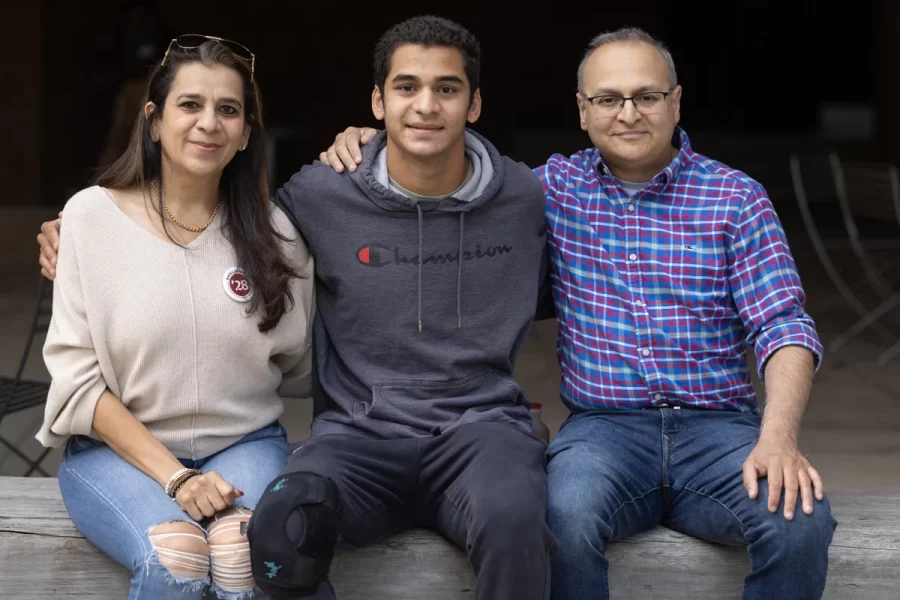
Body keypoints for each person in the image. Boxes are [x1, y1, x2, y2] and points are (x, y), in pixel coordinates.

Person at [37, 15, 555, 600]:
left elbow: (299, 356)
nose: (426, 105)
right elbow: (84, 377)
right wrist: (70, 237)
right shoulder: (316, 197)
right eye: (406, 87)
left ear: (476, 103)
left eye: (448, 88)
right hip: (336, 436)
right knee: (262, 536)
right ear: (378, 101)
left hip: (445, 434)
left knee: (511, 520)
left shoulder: (525, 196)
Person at [314, 25, 838, 600]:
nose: (628, 114)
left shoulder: (736, 198)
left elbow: (782, 324)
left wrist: (779, 438)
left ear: (677, 102)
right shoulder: (544, 192)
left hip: (721, 430)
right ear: (584, 112)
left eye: (647, 96)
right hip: (604, 432)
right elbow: (441, 167)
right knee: (559, 517)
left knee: (799, 522)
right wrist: (375, 140)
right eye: (608, 99)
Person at [34, 35, 315, 600]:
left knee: (242, 552)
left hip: (245, 444)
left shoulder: (275, 233)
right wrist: (178, 477)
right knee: (178, 554)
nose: (209, 122)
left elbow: (301, 365)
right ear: (154, 120)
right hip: (119, 455)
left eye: (228, 110)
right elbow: (79, 386)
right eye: (190, 105)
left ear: (244, 135)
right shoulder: (90, 219)